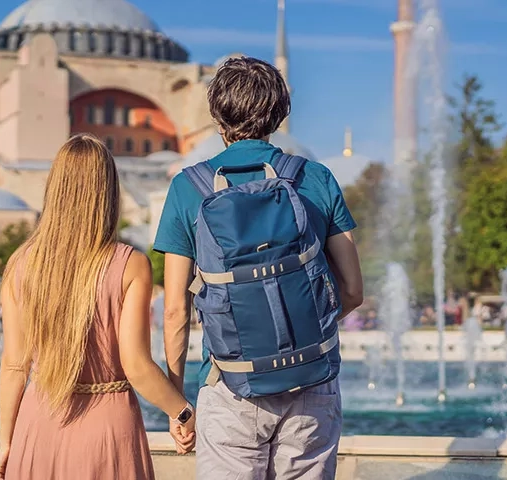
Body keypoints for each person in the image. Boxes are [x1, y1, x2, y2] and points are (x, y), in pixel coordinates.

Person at [154, 56, 364, 479]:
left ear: (216, 115)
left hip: (229, 382)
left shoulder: (187, 187)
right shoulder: (316, 178)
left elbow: (176, 310)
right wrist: (299, 328)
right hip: (311, 381)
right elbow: (354, 290)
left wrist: (178, 404)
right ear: (281, 112)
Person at [0, 135, 195, 480]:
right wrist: (182, 412)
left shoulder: (20, 264)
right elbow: (136, 365)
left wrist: (5, 442)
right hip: (107, 429)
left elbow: (14, 366)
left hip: (37, 425)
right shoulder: (130, 264)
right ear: (109, 191)